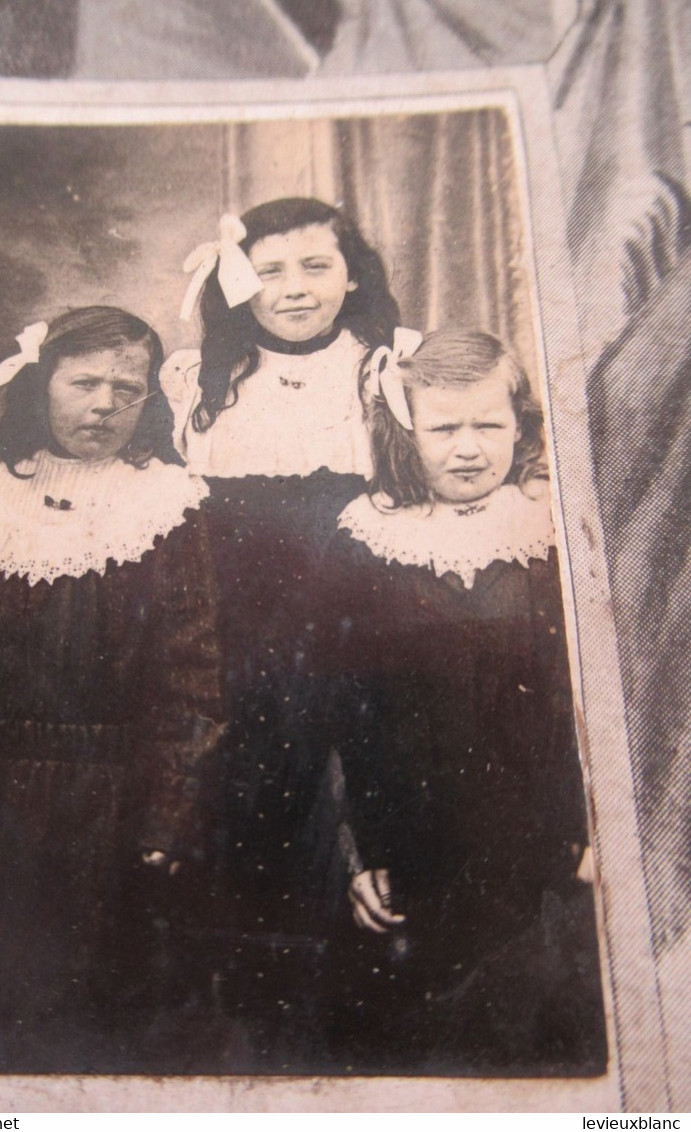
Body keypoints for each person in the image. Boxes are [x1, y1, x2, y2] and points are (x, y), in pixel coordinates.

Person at [0, 306, 224, 1074]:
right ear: (39, 387)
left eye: (126, 389)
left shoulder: (165, 507)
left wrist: (162, 817)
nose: (103, 405)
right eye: (84, 382)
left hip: (98, 808)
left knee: (62, 1024)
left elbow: (191, 683)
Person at [321, 329, 607, 1074]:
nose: (469, 448)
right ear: (403, 433)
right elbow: (350, 718)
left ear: (521, 425)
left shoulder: (553, 535)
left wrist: (589, 836)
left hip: (549, 853)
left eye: (489, 425)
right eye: (443, 428)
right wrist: (362, 854)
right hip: (417, 857)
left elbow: (595, 709)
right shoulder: (368, 541)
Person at [160, 197, 400, 1069]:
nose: (294, 289)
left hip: (354, 628)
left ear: (351, 275)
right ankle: (236, 1033)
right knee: (237, 815)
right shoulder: (197, 381)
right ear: (235, 281)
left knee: (354, 811)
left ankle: (343, 1035)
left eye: (315, 267)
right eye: (269, 270)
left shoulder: (382, 374)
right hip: (231, 641)